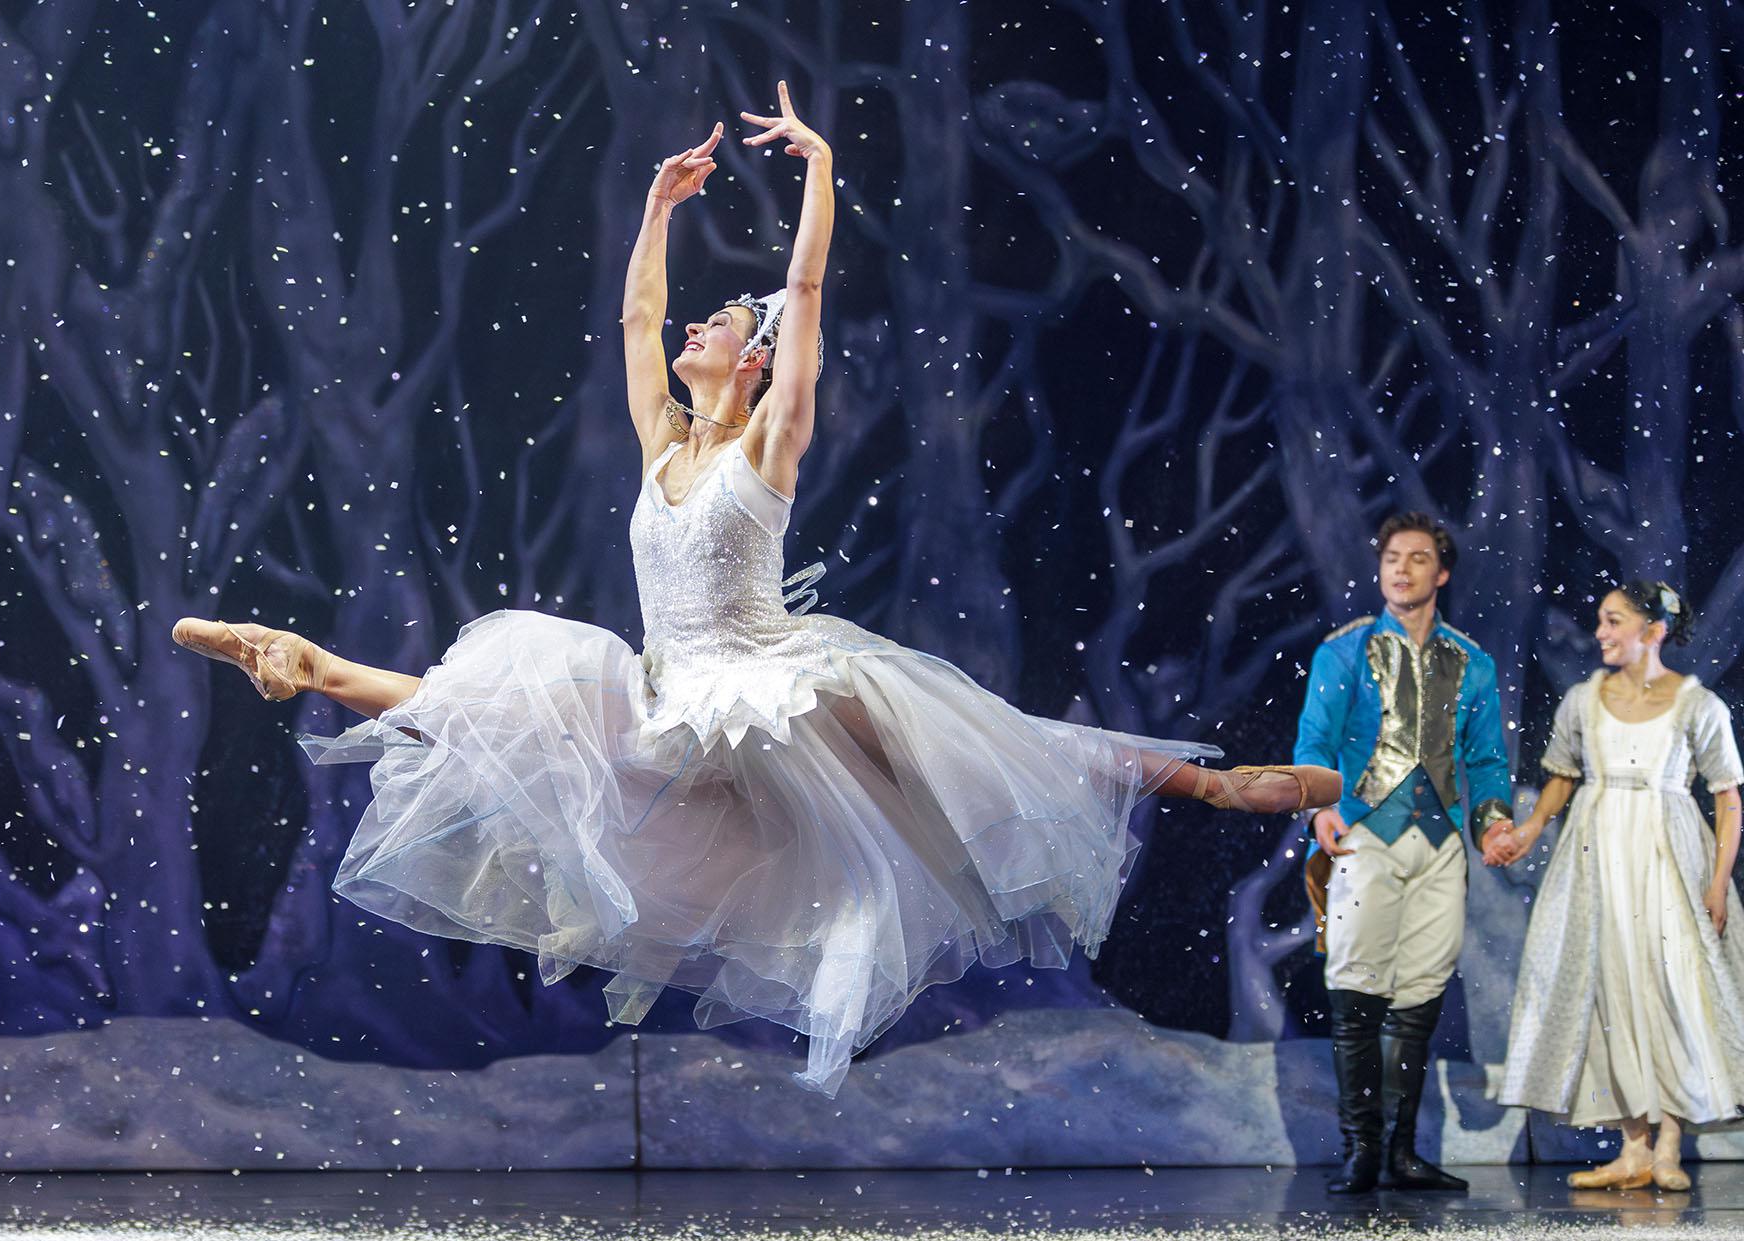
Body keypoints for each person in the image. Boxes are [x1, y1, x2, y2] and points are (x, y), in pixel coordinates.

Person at [172, 84, 1340, 1096]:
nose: (692, 326)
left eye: (720, 323)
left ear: (758, 360)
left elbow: (808, 289)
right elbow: (636, 316)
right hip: (668, 694)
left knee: (984, 753)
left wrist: (821, 167)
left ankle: (1214, 782)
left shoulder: (769, 444)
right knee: (508, 700)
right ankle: (311, 664)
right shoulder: (661, 444)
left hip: (775, 690)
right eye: (700, 319)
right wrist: (655, 212)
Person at [1493, 582, 1744, 1190]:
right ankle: (1634, 1147)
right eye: (1601, 620)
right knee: (1610, 991)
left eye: (1614, 621)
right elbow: (1561, 774)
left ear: (1652, 631)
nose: (1601, 632)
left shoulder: (1698, 704)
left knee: (1673, 987)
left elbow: (1728, 799)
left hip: (1667, 854)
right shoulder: (1583, 700)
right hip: (1598, 851)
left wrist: (1718, 882)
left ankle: (1670, 1145)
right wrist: (1530, 828)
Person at [1295, 512, 1517, 1193]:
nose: (1401, 568)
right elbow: (1314, 743)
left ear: (1441, 573)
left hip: (1440, 842)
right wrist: (1321, 807)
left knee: (1419, 996)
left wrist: (1493, 823)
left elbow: (1486, 759)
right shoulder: (1344, 652)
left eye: (1417, 557)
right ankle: (1361, 1150)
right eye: (1392, 557)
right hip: (1365, 835)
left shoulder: (1472, 662)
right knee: (1356, 988)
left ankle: (1400, 1151)